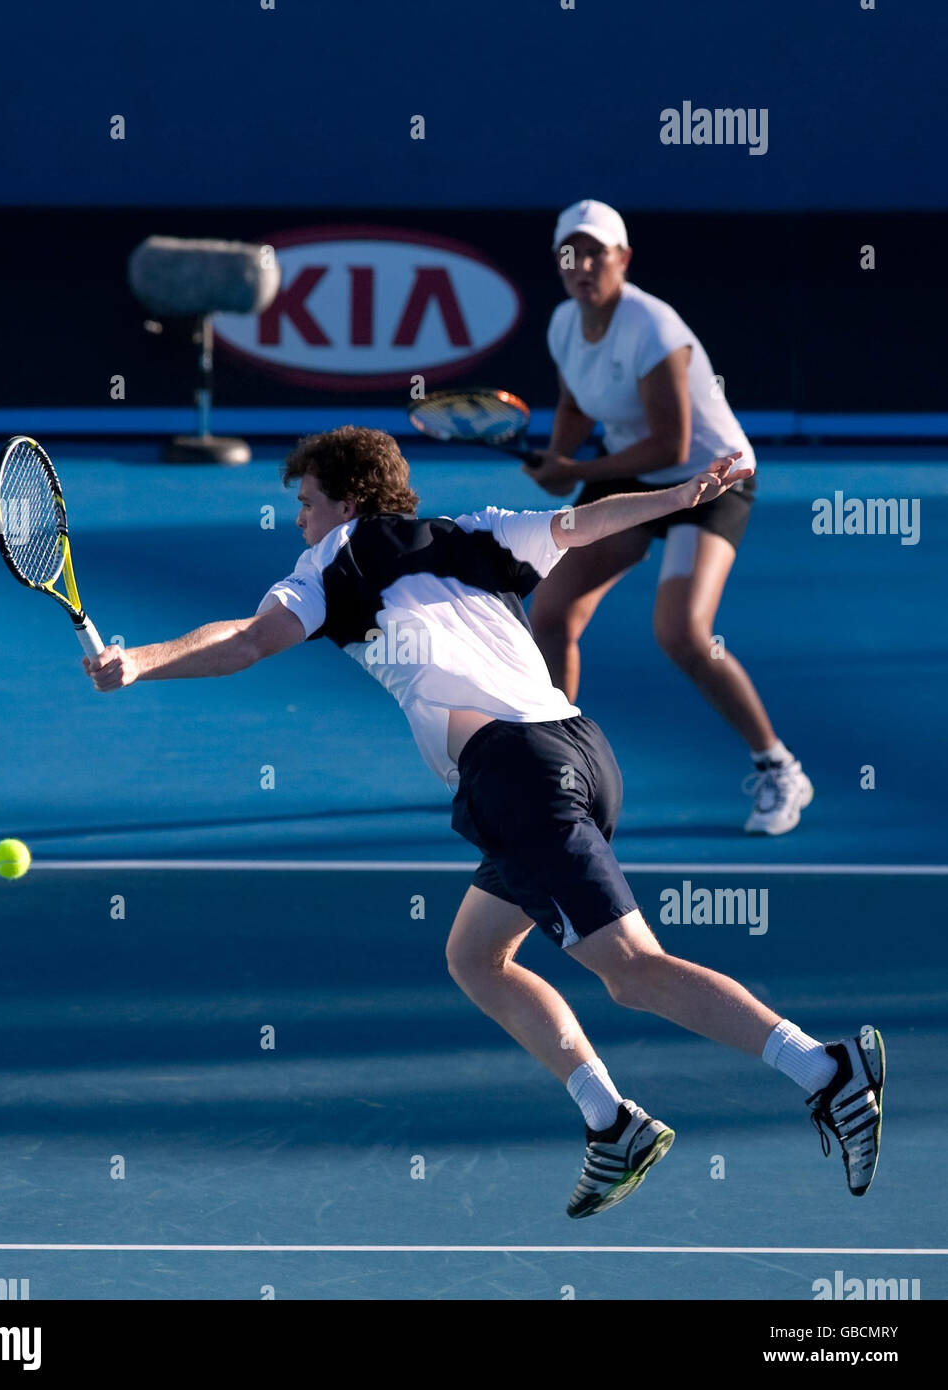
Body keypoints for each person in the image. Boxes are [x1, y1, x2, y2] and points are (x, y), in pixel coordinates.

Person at [83, 426, 884, 1217]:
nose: (299, 518)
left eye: (306, 501)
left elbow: (250, 641)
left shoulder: (332, 561)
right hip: (582, 752)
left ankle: (825, 1069)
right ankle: (613, 1123)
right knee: (475, 956)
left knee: (633, 970)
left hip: (517, 775)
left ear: (349, 499)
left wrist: (141, 661)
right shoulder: (472, 531)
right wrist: (679, 499)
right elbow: (584, 522)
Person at [525, 199, 812, 835]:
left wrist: (576, 472)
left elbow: (672, 447)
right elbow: (576, 403)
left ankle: (779, 768)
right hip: (631, 472)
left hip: (711, 478)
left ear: (623, 259)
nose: (585, 263)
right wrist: (561, 454)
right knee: (550, 607)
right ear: (560, 263)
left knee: (681, 632)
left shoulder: (652, 327)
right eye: (572, 252)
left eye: (599, 251)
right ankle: (559, 770)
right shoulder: (563, 326)